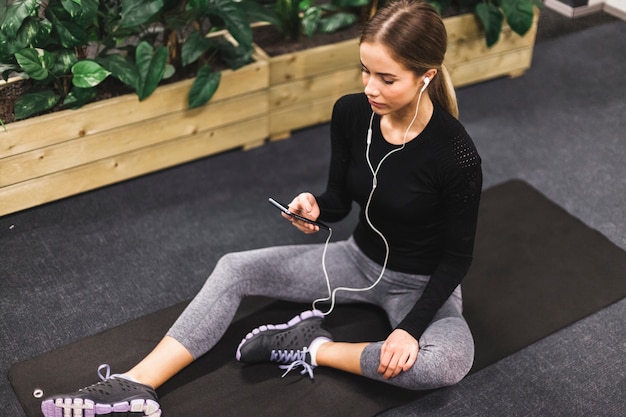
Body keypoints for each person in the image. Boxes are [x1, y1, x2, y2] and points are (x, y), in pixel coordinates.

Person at [41, 1, 482, 416]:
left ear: (425, 76)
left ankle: (311, 346)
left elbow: (457, 257)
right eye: (365, 71)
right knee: (234, 267)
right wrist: (314, 207)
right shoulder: (351, 113)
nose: (370, 87)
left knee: (443, 365)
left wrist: (409, 328)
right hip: (356, 260)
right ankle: (135, 384)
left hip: (420, 286)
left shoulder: (455, 154)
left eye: (387, 79)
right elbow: (340, 200)